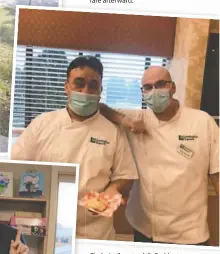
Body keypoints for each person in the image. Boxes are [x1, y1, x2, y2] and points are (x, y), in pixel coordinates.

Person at [11, 56, 138, 240]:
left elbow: (125, 176)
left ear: (100, 90)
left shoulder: (112, 132)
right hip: (44, 226)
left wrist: (111, 193)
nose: (85, 91)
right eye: (79, 83)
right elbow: (15, 168)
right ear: (66, 88)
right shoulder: (42, 124)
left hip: (93, 233)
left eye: (93, 85)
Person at [99, 66, 219, 245]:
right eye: (147, 87)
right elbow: (100, 108)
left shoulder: (202, 122)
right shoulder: (139, 119)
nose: (154, 91)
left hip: (190, 232)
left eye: (160, 84)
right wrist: (126, 121)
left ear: (173, 87)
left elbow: (217, 175)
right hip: (146, 228)